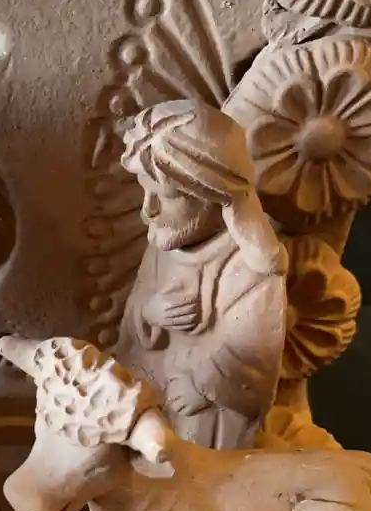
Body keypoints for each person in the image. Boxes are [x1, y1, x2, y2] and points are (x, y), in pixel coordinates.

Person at [114, 99, 288, 449]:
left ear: (214, 194)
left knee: (189, 449)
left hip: (202, 406)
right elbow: (137, 310)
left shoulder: (247, 266)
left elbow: (254, 352)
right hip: (153, 384)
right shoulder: (163, 246)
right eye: (145, 191)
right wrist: (149, 311)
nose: (148, 210)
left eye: (166, 196)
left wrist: (201, 384)